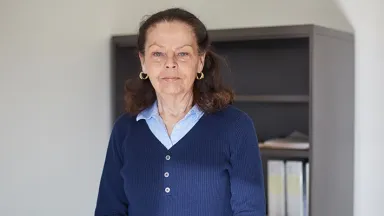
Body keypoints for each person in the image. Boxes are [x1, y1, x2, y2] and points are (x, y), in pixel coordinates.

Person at [95, 7, 266, 216]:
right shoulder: (125, 129)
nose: (170, 64)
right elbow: (109, 210)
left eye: (183, 53)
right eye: (158, 54)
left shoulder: (236, 127)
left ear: (200, 61)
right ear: (143, 62)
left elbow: (250, 211)